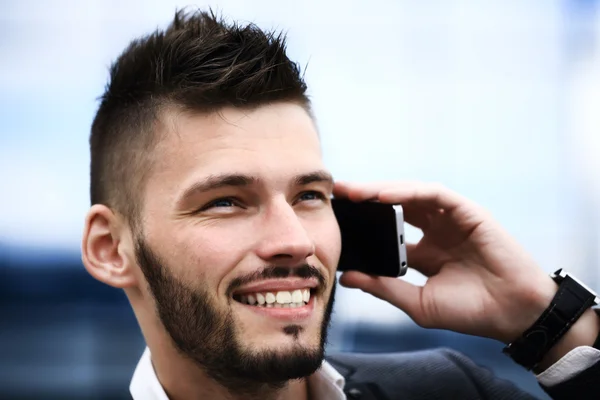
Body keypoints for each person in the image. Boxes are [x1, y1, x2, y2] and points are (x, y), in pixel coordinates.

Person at [81, 9, 600, 400]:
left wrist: (546, 320)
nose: (295, 240)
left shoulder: (450, 388)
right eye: (225, 202)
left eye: (309, 195)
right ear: (111, 249)